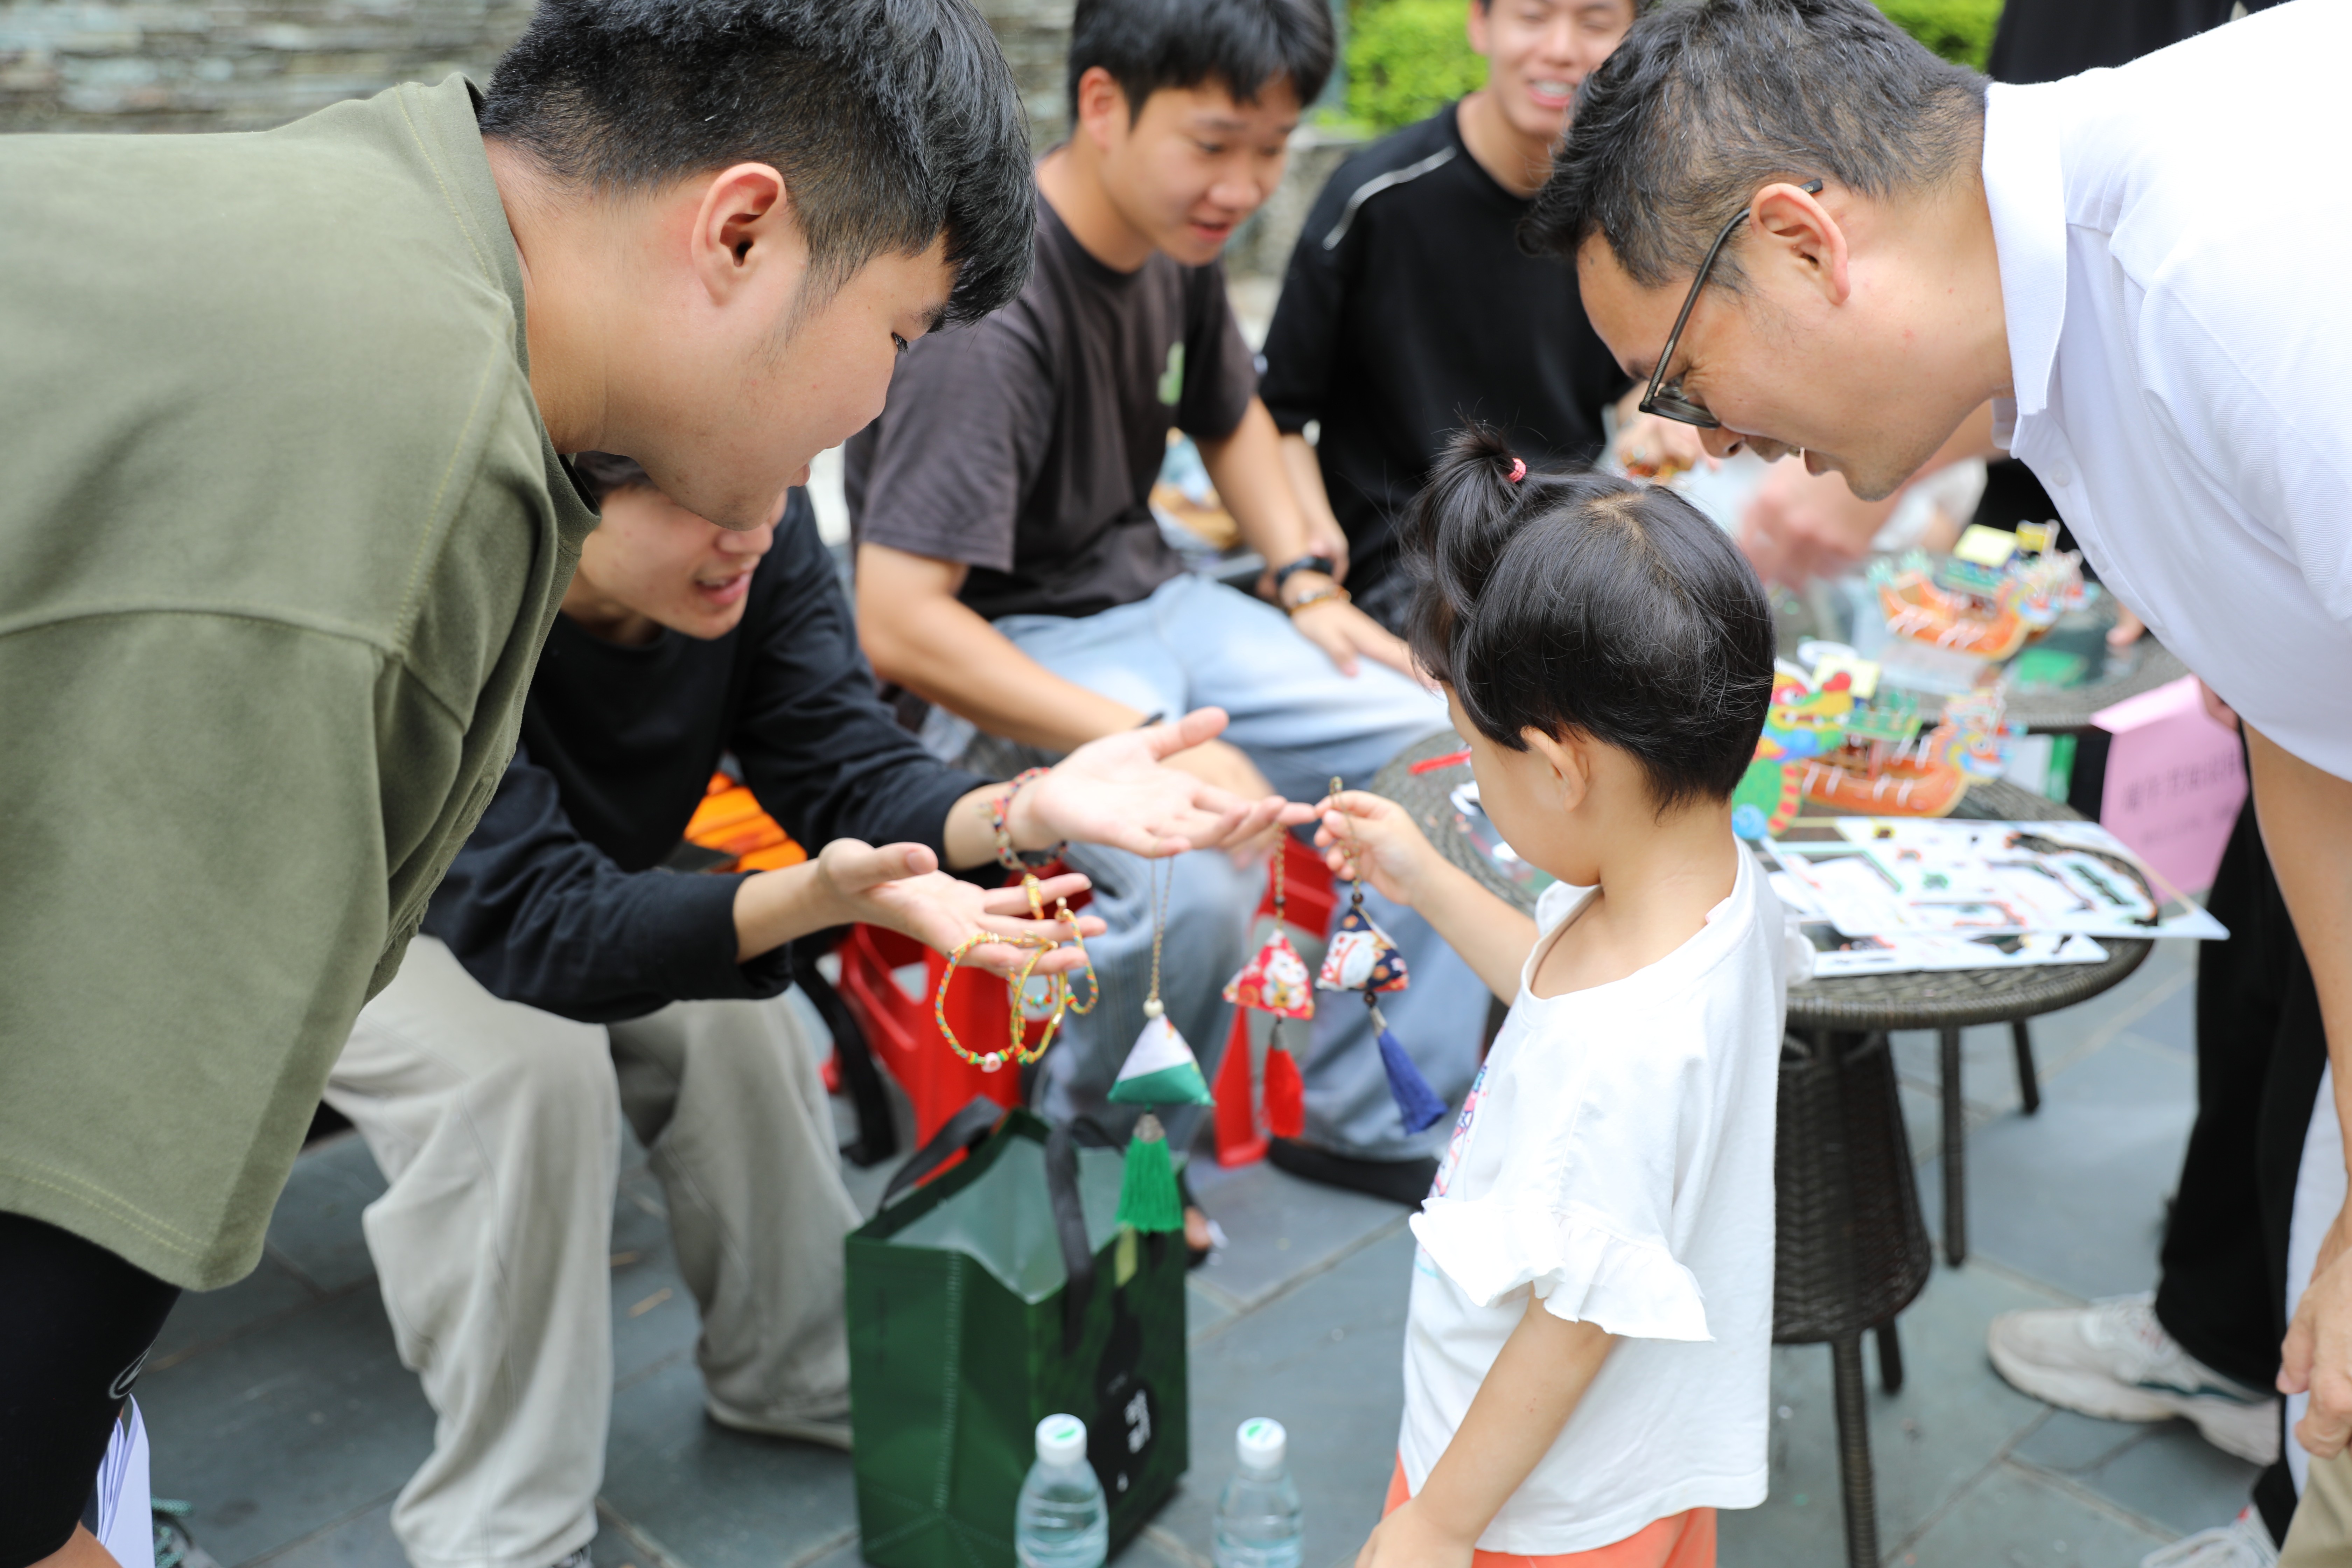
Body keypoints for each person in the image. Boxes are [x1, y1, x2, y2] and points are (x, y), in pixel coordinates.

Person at [0, 0, 1036, 1562]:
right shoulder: (405, 466)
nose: (874, 410)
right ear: (742, 232)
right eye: (898, 337)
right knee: (518, 1081)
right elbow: (91, 1150)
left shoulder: (391, 204)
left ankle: (794, 1369)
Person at [1522, 2, 2352, 1559]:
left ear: (1801, 243)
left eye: (1680, 378)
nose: (1704, 444)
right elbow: (2313, 720)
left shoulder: (2234, 277)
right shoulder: (2063, 335)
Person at [331, 453, 1275, 1568]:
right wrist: (808, 898)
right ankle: (504, 1529)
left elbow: (847, 769)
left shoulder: (756, 544)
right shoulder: (448, 565)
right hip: (341, 909)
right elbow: (533, 921)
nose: (758, 530)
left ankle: (796, 1369)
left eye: (784, 487)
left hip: (572, 877)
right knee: (528, 1075)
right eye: (716, 501)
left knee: (744, 1024)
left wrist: (1028, 806)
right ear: (575, 486)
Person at [848, 0, 1492, 1205]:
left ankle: (1365, 1114)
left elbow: (1231, 415)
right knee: (1191, 875)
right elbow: (900, 621)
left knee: (1451, 738)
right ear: (1102, 104)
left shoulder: (1173, 243)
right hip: (1012, 647)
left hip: (1164, 602)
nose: (1244, 187)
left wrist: (1304, 580)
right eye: (1214, 144)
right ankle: (1106, 1155)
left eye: (1271, 148)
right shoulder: (990, 318)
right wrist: (1141, 744)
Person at [1311, 431, 1782, 1568]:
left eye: (1477, 761)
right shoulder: (1709, 894)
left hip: (1533, 1506)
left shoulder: (1623, 1053)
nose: (1477, 785)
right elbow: (1551, 993)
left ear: (1562, 767)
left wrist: (1438, 1523)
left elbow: (1573, 1323)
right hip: (1646, 1456)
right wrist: (1425, 878)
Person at [1257, 0, 1641, 634]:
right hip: (1407, 561)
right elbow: (1279, 409)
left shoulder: (1626, 209)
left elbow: (1634, 381)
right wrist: (1308, 559)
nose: (1561, 49)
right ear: (1480, 23)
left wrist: (1652, 426)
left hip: (1563, 548)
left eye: (1595, 23)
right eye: (1533, 16)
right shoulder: (1376, 198)